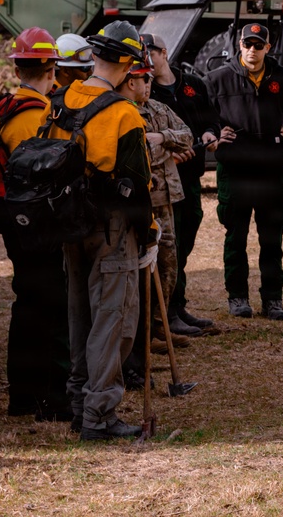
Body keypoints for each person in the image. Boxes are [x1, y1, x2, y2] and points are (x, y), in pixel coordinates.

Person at [47, 20, 154, 441]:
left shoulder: (63, 99)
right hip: (112, 230)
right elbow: (138, 188)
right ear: (128, 65)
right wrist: (147, 235)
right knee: (112, 323)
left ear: (95, 56)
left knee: (79, 317)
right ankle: (101, 417)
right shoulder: (125, 115)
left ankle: (79, 405)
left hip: (70, 222)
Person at [205, 23, 283, 321]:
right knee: (235, 237)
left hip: (271, 170)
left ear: (268, 48)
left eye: (258, 45)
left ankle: (273, 300)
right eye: (247, 44)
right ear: (239, 45)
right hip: (235, 170)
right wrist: (214, 130)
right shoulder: (218, 79)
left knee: (271, 239)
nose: (252, 50)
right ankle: (237, 297)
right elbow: (200, 111)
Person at [0, 27, 71, 421]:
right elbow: (44, 177)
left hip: (16, 222)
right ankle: (44, 398)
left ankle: (24, 396)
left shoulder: (8, 106)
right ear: (51, 67)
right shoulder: (35, 115)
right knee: (48, 308)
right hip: (35, 227)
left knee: (28, 305)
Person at [115, 62, 193, 380]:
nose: (146, 86)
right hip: (138, 203)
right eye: (140, 80)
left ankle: (158, 328)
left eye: (149, 80)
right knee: (136, 272)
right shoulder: (120, 112)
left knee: (168, 266)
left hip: (165, 200)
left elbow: (186, 137)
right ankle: (137, 340)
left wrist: (163, 137)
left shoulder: (160, 109)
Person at [144, 33, 221, 334]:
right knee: (169, 245)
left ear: (164, 53)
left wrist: (210, 134)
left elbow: (210, 118)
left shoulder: (193, 84)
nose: (147, 62)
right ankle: (167, 312)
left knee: (185, 241)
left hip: (192, 179)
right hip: (166, 181)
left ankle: (178, 306)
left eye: (150, 54)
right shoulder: (149, 95)